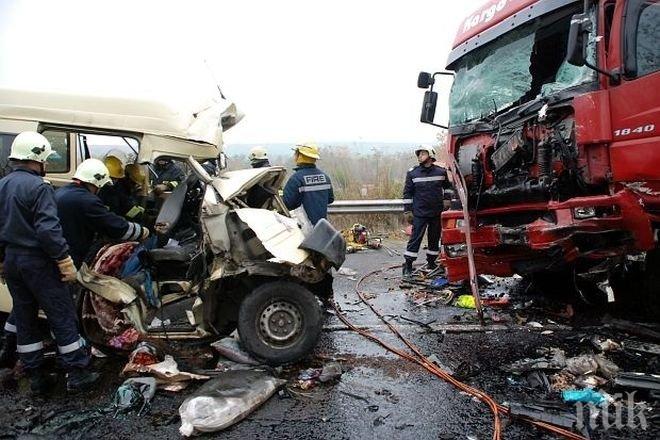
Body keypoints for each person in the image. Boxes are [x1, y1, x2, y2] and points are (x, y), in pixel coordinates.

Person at [0, 132, 99, 393]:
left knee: (24, 316)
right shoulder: (40, 187)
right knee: (61, 314)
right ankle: (77, 373)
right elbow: (48, 230)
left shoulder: (3, 184)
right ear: (38, 158)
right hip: (39, 262)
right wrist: (64, 259)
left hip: (13, 261)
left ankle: (35, 376)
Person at [55, 159, 150, 267]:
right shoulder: (88, 200)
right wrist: (142, 231)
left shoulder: (61, 192)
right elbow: (113, 226)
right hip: (70, 253)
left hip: (57, 250)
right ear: (98, 181)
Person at [402, 145, 451, 279]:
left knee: (434, 239)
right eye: (419, 154)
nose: (420, 156)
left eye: (422, 154)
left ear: (430, 155)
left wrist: (447, 199)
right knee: (415, 239)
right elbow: (407, 194)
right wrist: (408, 212)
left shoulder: (441, 172)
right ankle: (408, 266)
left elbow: (448, 187)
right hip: (419, 213)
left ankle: (431, 263)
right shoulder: (413, 173)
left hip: (436, 212)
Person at [282, 143, 334, 225]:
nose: (294, 156)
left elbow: (286, 204)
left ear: (300, 156)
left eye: (296, 153)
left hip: (304, 228)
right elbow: (330, 199)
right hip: (322, 227)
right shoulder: (325, 177)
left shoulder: (296, 179)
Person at [99, 149, 145, 222]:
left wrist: (142, 213)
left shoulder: (118, 188)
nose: (114, 181)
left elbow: (126, 204)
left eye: (116, 179)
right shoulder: (104, 191)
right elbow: (126, 207)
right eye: (112, 178)